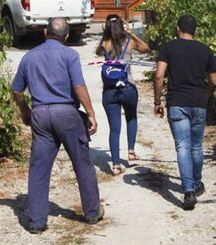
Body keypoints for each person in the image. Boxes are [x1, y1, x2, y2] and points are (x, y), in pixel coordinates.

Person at [11, 17, 104, 233]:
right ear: (67, 36)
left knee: (39, 168)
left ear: (45, 32)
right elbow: (79, 86)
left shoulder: (29, 57)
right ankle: (91, 212)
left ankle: (37, 222)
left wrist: (25, 111)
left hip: (41, 115)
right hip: (67, 114)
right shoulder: (69, 55)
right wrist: (90, 113)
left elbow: (16, 90)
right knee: (82, 164)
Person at [154, 15, 216, 211]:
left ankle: (188, 191)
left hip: (177, 103)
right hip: (198, 102)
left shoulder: (168, 48)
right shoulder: (206, 50)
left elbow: (159, 75)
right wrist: (206, 95)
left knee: (182, 146)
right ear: (195, 31)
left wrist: (157, 101)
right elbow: (214, 81)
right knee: (196, 146)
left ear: (177, 29)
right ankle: (197, 183)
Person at [96, 14, 149, 175]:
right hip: (128, 87)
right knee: (131, 117)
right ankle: (131, 150)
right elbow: (146, 47)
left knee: (114, 128)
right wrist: (130, 32)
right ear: (122, 26)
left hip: (109, 90)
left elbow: (99, 53)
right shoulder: (129, 42)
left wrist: (104, 33)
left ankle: (116, 164)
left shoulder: (105, 43)